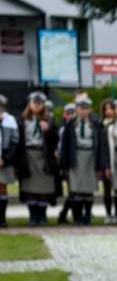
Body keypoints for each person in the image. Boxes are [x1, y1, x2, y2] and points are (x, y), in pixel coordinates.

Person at [59, 97, 108, 225]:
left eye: (86, 108)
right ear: (77, 109)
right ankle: (77, 216)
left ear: (90, 110)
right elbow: (65, 145)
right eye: (81, 108)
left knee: (88, 189)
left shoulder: (95, 124)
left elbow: (100, 144)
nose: (84, 111)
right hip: (76, 157)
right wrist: (65, 163)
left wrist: (100, 164)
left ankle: (87, 215)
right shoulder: (70, 124)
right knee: (76, 189)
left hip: (90, 157)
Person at [15, 91, 60, 226]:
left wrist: (48, 131)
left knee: (44, 189)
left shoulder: (49, 119)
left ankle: (42, 216)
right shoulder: (22, 120)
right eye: (34, 103)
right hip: (28, 155)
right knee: (30, 189)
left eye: (40, 103)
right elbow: (18, 140)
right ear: (29, 104)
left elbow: (56, 140)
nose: (37, 106)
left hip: (44, 156)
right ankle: (33, 216)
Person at [0, 94, 18, 227]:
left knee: (2, 187)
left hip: (4, 161)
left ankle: (2, 218)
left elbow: (14, 141)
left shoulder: (10, 120)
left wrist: (5, 159)